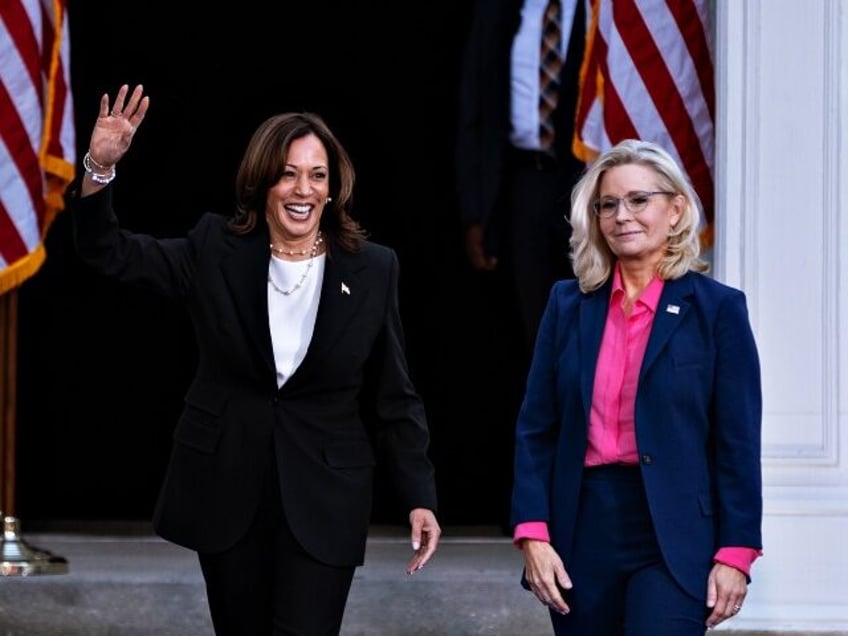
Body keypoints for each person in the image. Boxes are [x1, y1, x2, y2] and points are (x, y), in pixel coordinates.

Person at [67, 84, 441, 635]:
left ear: (334, 188)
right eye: (288, 173)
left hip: (324, 497)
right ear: (262, 180)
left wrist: (418, 497)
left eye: (317, 175)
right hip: (228, 490)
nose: (303, 189)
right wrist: (99, 167)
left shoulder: (374, 269)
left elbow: (395, 395)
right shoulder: (215, 248)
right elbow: (111, 252)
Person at [510, 139, 763, 634]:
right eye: (608, 204)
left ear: (676, 210)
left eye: (638, 200)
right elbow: (536, 429)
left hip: (674, 534)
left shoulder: (718, 311)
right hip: (582, 529)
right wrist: (532, 532)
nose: (621, 215)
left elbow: (737, 442)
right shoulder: (568, 305)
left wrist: (737, 551)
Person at [454, 0, 586, 355]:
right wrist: (475, 213)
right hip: (528, 182)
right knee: (537, 326)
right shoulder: (498, 11)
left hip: (591, 184)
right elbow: (473, 112)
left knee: (592, 324)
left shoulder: (604, 13)